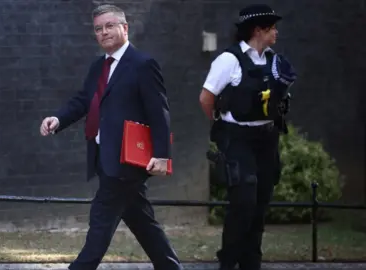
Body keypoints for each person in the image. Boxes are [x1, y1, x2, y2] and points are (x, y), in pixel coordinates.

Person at [39, 4, 183, 270]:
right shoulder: (99, 66)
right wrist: (58, 119)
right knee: (143, 224)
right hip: (105, 159)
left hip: (127, 161)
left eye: (109, 26)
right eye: (98, 29)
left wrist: (162, 155)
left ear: (124, 28)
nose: (103, 32)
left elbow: (158, 111)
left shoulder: (143, 65)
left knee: (100, 225)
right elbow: (84, 100)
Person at [199, 4, 297, 270]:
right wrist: (220, 124)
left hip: (266, 139)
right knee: (243, 202)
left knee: (259, 204)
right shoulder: (229, 60)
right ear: (258, 30)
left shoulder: (273, 61)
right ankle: (228, 262)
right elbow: (206, 98)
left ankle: (251, 262)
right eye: (272, 28)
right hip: (237, 138)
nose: (276, 32)